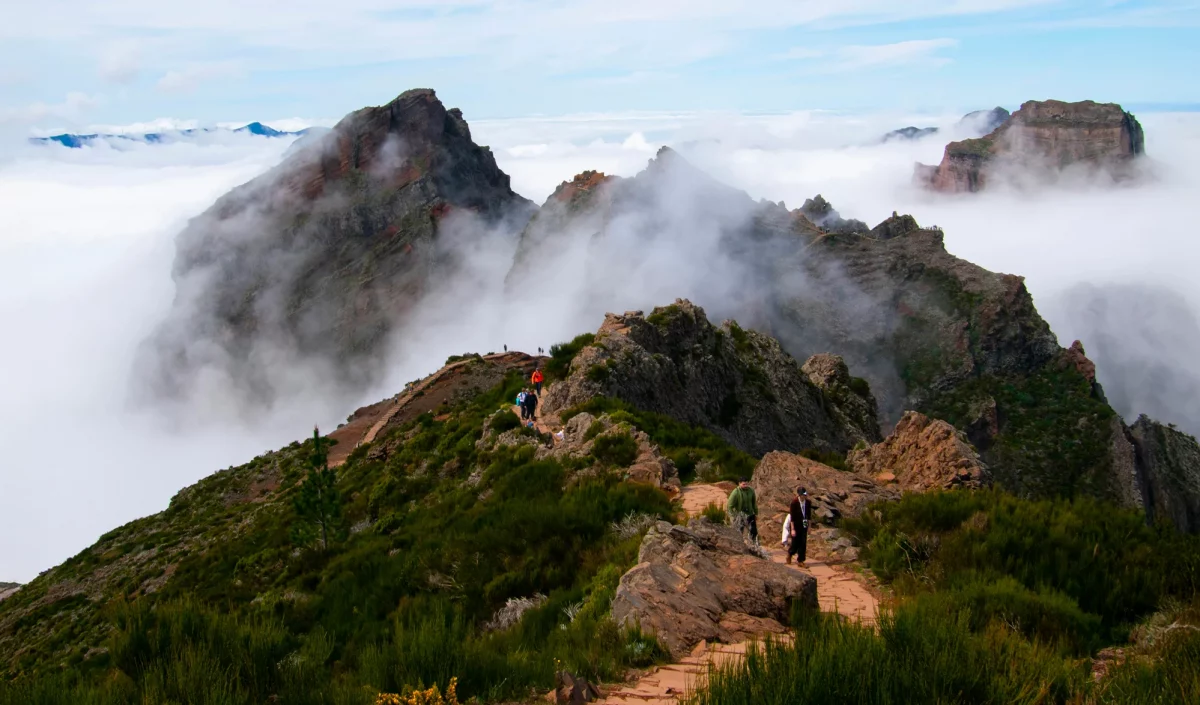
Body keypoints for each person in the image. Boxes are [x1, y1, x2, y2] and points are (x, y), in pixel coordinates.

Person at [726, 478, 758, 544]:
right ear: (739, 483)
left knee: (753, 531)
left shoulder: (751, 491)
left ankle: (754, 545)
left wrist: (756, 513)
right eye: (743, 484)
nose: (745, 485)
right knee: (739, 532)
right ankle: (739, 545)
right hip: (740, 515)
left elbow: (754, 503)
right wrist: (733, 516)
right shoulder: (735, 492)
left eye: (746, 484)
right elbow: (729, 505)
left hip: (750, 514)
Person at [787, 486, 812, 564]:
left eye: (804, 495)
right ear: (799, 495)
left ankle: (801, 560)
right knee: (795, 542)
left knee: (803, 542)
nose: (803, 496)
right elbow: (792, 518)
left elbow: (809, 515)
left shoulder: (808, 503)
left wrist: (809, 527)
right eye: (802, 495)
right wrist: (793, 529)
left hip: (804, 524)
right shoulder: (794, 503)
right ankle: (790, 554)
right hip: (796, 524)